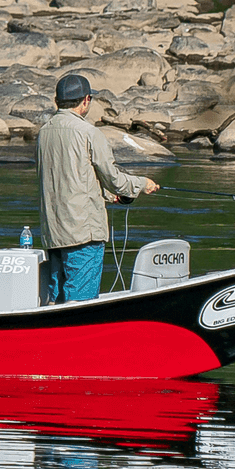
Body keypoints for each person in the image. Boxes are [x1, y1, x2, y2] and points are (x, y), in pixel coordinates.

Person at [36, 71, 157, 303]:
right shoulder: (89, 132)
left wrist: (108, 196)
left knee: (58, 301)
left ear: (57, 101)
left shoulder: (44, 133)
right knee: (80, 304)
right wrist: (142, 184)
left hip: (53, 234)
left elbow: (65, 177)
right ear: (86, 100)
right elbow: (115, 179)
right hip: (84, 234)